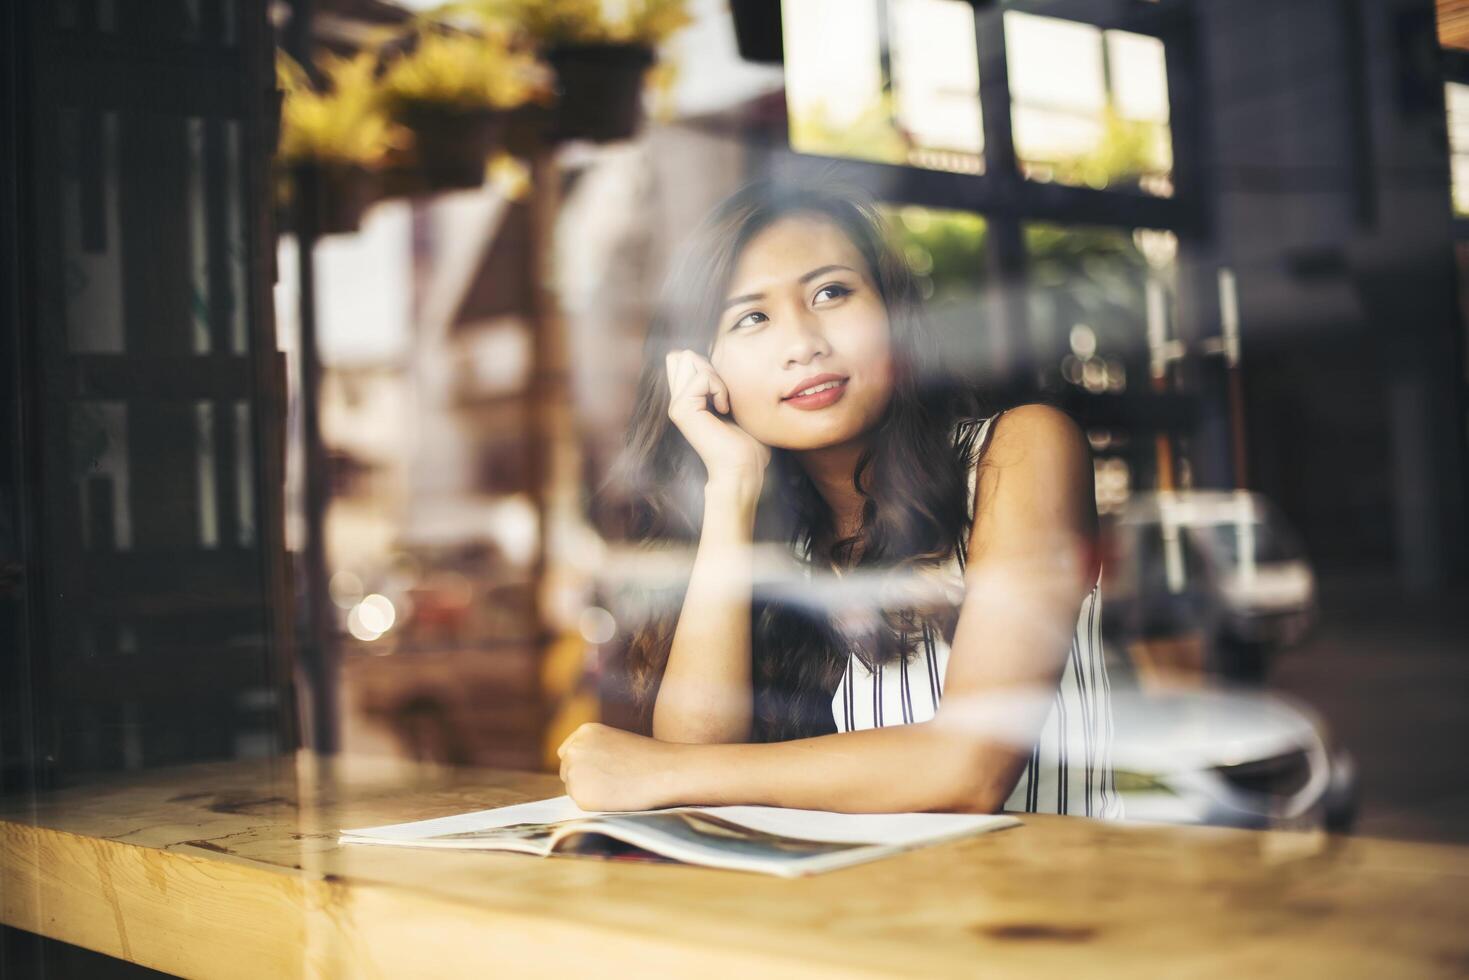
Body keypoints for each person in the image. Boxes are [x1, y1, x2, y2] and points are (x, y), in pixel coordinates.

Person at [557, 177, 1121, 818]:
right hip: (869, 911)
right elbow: (693, 778)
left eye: (831, 292)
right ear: (705, 368)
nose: (803, 344)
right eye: (752, 318)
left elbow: (970, 768)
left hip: (1056, 910)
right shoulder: (781, 544)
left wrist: (659, 770)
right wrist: (733, 484)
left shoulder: (1019, 453)